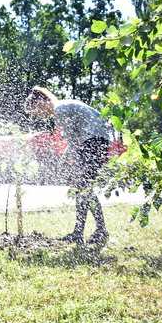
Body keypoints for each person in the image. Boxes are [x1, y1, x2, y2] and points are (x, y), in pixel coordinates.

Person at [25, 86, 111, 248]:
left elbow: (72, 141)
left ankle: (95, 231)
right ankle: (83, 232)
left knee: (83, 188)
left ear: (42, 102)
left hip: (93, 142)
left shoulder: (60, 110)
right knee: (83, 188)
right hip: (96, 141)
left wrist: (62, 161)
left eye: (37, 111)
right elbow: (74, 139)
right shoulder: (63, 107)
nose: (40, 116)